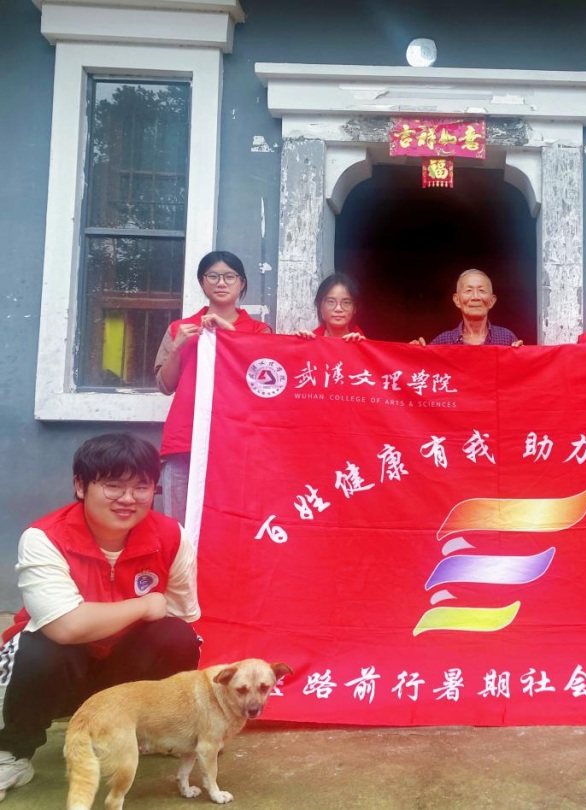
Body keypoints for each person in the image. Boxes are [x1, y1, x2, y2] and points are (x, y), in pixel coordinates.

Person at [0, 434, 201, 801]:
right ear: (80, 486)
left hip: (124, 672)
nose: (128, 499)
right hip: (60, 672)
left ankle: (150, 733)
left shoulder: (171, 537)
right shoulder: (44, 537)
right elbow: (66, 626)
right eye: (113, 486)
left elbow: (180, 613)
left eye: (141, 487)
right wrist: (144, 605)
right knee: (39, 648)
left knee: (178, 636)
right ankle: (13, 751)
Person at [154, 251, 272, 520]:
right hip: (185, 439)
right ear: (202, 282)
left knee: (231, 526)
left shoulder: (259, 331)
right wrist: (177, 348)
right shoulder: (180, 328)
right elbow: (165, 385)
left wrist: (229, 334)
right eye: (213, 276)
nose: (221, 283)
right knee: (180, 527)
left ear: (241, 283)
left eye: (229, 276)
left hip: (238, 441)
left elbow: (261, 384)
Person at [415, 270, 523, 347]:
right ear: (457, 300)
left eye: (481, 291)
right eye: (468, 291)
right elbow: (425, 368)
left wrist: (521, 355)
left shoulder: (507, 338)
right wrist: (414, 352)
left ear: (492, 301)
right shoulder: (442, 341)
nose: (475, 297)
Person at [295, 273, 366, 341]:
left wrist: (360, 346)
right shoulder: (310, 342)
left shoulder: (363, 344)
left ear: (354, 308)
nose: (338, 309)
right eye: (331, 301)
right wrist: (299, 344)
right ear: (320, 306)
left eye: (346, 302)